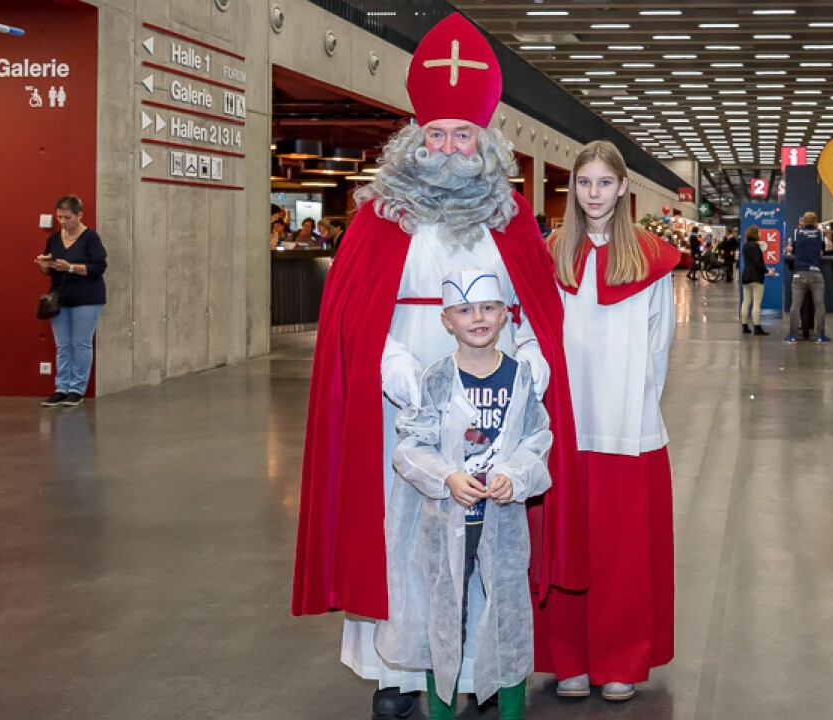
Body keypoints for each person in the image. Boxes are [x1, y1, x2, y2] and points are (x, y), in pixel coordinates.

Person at [290, 14, 583, 720]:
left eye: (462, 136)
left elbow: (533, 309)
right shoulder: (381, 215)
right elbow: (359, 318)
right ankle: (399, 671)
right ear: (414, 141)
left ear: (484, 144)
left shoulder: (509, 216)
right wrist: (391, 366)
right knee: (403, 533)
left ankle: (479, 667)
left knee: (485, 530)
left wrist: (534, 363)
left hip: (490, 402)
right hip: (400, 404)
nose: (448, 148)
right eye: (436, 135)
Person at [538, 139, 679, 703]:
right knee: (567, 546)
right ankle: (567, 657)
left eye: (604, 182)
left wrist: (638, 406)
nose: (593, 193)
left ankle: (620, 658)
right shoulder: (551, 253)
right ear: (573, 188)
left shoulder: (651, 258)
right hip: (564, 425)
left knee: (622, 551)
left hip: (627, 427)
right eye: (584, 182)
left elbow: (659, 342)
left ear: (623, 188)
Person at [376, 269, 552, 720]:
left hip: (502, 525)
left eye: (489, 308)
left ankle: (511, 710)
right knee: (444, 620)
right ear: (446, 319)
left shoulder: (519, 379)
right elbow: (410, 445)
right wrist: (448, 478)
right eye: (465, 310)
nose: (478, 318)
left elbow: (537, 440)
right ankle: (440, 711)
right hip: (444, 523)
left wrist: (514, 475)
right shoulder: (435, 380)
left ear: (504, 315)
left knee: (508, 616)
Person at [35, 194, 107, 407]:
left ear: (79, 215)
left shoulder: (91, 238)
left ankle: (77, 388)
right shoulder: (54, 239)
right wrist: (44, 266)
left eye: (67, 217)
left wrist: (71, 267)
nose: (63, 222)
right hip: (60, 297)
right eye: (60, 218)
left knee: (81, 343)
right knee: (63, 345)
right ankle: (61, 387)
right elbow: (50, 270)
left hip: (87, 298)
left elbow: (99, 267)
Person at [785, 211, 830, 344]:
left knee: (795, 305)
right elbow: (822, 250)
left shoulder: (796, 233)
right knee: (819, 305)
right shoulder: (820, 234)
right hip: (816, 273)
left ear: (803, 221)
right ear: (816, 222)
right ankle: (820, 336)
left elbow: (792, 249)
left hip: (799, 273)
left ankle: (792, 336)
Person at [740, 226, 777, 335]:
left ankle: (745, 325)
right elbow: (757, 263)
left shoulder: (745, 246)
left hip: (746, 276)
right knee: (756, 303)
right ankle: (757, 327)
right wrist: (767, 271)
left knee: (746, 302)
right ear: (756, 234)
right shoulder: (756, 247)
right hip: (756, 277)